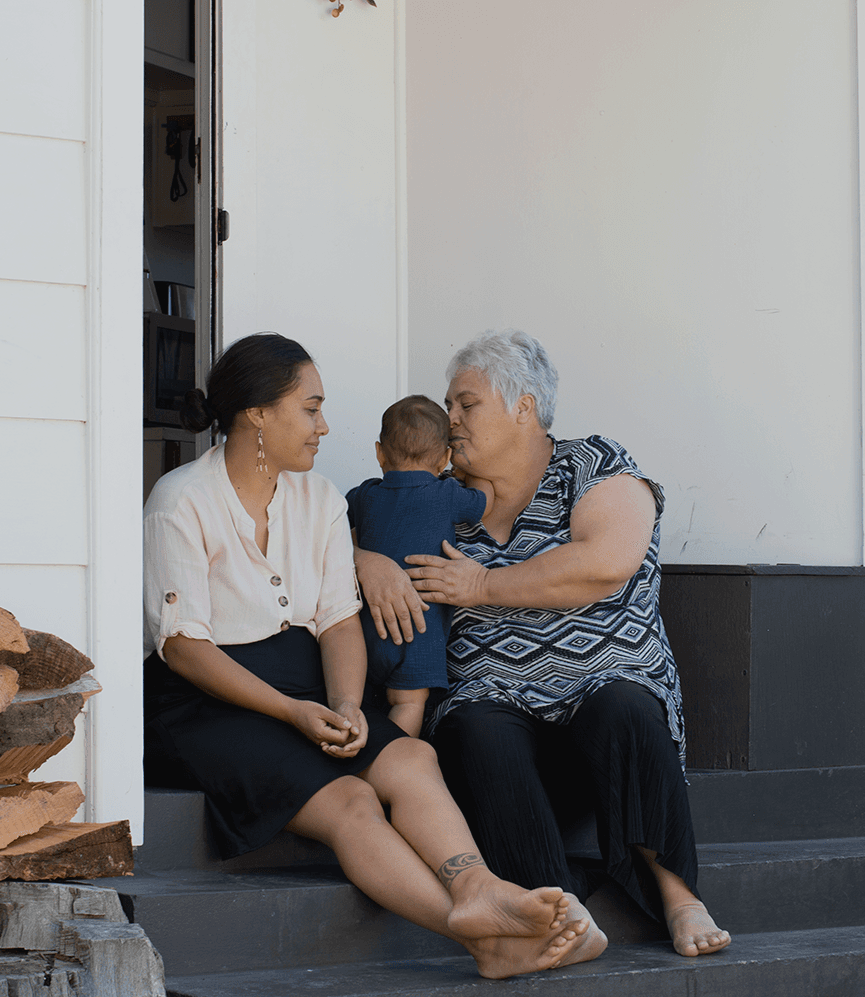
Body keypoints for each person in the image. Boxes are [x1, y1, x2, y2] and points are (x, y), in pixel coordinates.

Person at [142, 333, 604, 979]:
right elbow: (186, 648)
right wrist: (294, 712)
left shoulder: (321, 499)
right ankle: (476, 937)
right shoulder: (181, 499)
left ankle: (476, 888)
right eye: (310, 408)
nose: (324, 426)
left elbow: (337, 619)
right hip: (206, 697)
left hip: (306, 677)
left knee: (411, 754)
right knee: (351, 801)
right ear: (258, 414)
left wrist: (344, 702)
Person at [354, 330, 731, 959]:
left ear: (523, 407)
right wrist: (365, 561)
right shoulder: (441, 497)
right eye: (449, 405)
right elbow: (350, 529)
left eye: (465, 403)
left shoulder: (591, 464)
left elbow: (608, 560)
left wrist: (483, 585)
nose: (451, 419)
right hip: (495, 709)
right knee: (475, 727)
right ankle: (556, 906)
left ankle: (678, 896)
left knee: (625, 706)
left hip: (600, 696)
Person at [345, 395, 493, 737]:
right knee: (409, 704)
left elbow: (335, 528)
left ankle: (359, 748)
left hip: (369, 626)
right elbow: (484, 501)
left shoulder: (364, 495)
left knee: (364, 703)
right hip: (419, 629)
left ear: (380, 453)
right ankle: (397, 760)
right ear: (444, 458)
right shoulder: (447, 494)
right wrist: (469, 468)